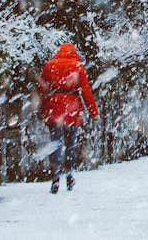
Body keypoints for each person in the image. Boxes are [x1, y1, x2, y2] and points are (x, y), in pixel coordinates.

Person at [37, 42, 99, 194]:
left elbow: (41, 89)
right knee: (70, 144)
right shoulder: (77, 67)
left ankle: (55, 175)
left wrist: (41, 108)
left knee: (55, 143)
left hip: (55, 108)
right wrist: (93, 112)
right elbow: (86, 91)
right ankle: (69, 173)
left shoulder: (49, 66)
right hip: (72, 108)